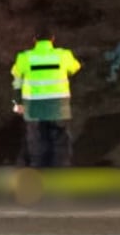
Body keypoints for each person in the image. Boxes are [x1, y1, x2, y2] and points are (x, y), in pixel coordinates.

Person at [11, 29, 82, 168]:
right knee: (59, 138)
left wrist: (17, 102)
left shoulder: (24, 57)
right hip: (58, 103)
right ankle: (60, 171)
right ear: (52, 39)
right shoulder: (63, 55)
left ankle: (39, 169)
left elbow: (17, 79)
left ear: (34, 40)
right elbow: (75, 68)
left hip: (33, 104)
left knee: (36, 138)